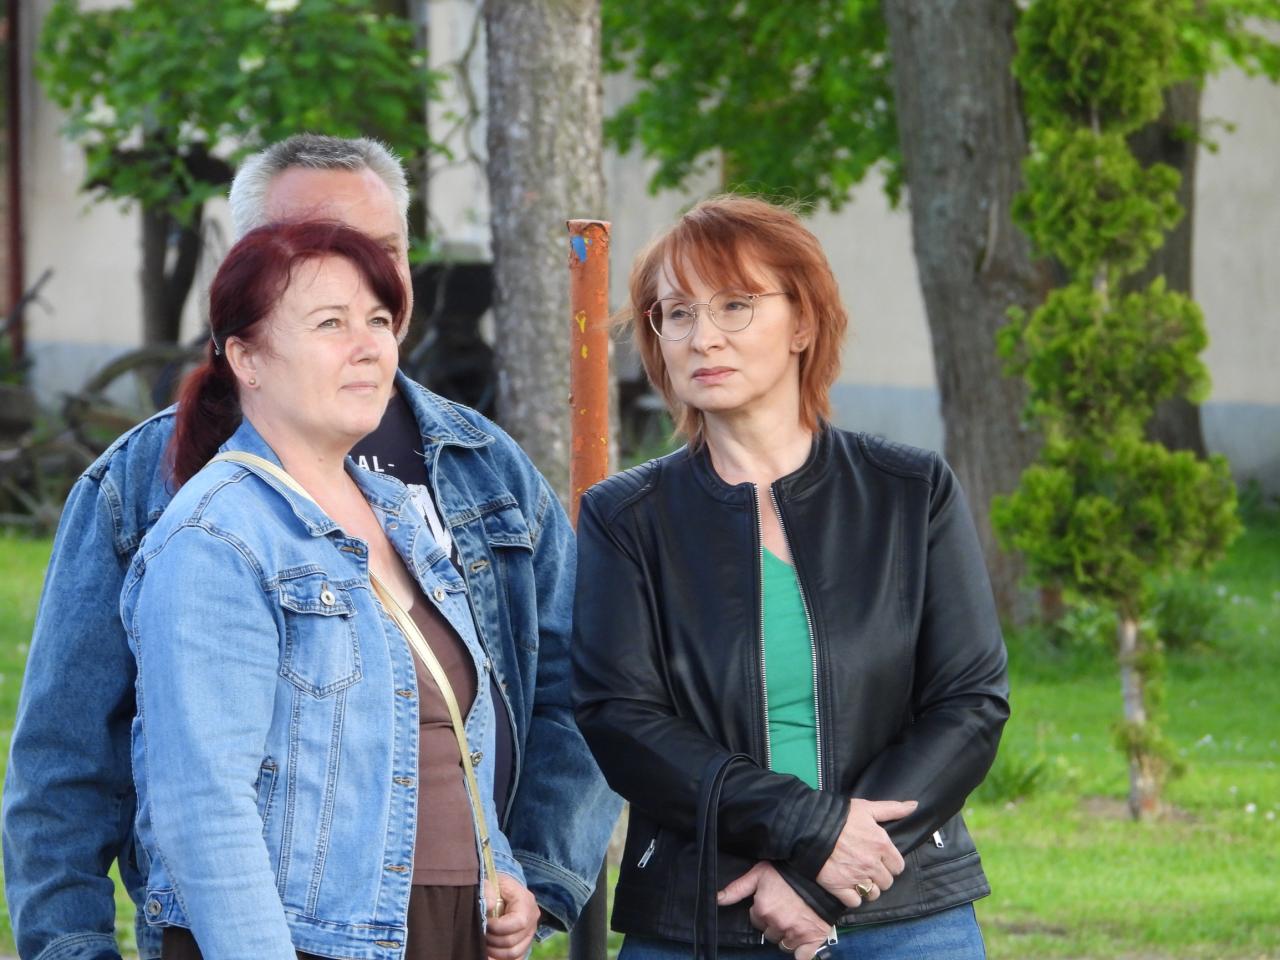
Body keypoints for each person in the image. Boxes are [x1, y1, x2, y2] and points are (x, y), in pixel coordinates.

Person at [3, 135, 619, 960]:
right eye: (317, 249)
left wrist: (527, 872)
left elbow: (568, 690)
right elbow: (74, 763)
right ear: (245, 306)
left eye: (382, 251)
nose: (356, 271)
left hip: (456, 928)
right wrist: (71, 947)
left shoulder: (470, 471)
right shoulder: (166, 494)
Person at [572, 195, 1009, 960]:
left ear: (803, 322)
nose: (703, 336)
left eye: (735, 305)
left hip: (902, 915)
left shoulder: (910, 493)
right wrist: (808, 829)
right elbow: (622, 723)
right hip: (702, 917)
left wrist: (819, 877)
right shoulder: (626, 518)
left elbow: (968, 704)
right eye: (677, 314)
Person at [124, 218, 532, 959]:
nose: (368, 346)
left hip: (441, 927)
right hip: (305, 939)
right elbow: (203, 808)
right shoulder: (217, 535)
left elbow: (447, 735)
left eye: (378, 320)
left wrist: (495, 868)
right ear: (247, 357)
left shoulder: (399, 517)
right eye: (330, 323)